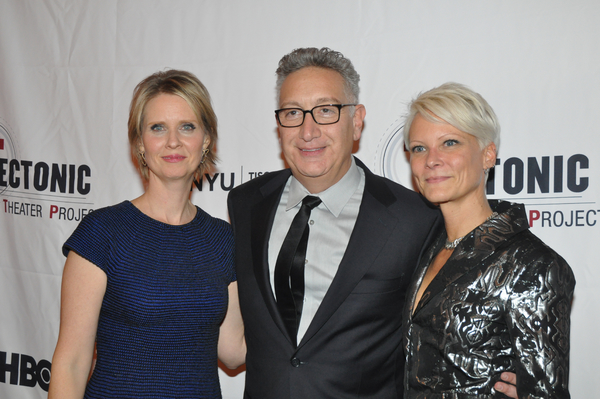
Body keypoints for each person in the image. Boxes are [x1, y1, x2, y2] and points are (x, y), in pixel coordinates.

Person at [227, 46, 439, 398]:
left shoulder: (413, 218)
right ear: (279, 125)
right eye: (293, 112)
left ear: (356, 120)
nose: (308, 131)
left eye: (326, 111)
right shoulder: (246, 203)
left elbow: (436, 335)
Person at [48, 70, 245, 399]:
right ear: (139, 142)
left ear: (206, 140)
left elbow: (234, 349)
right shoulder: (103, 233)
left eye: (187, 126)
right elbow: (71, 363)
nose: (173, 141)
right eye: (157, 128)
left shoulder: (223, 239)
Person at [402, 82, 575, 398]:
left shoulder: (531, 264)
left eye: (450, 143)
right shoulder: (425, 248)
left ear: (488, 154)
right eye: (419, 148)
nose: (431, 160)